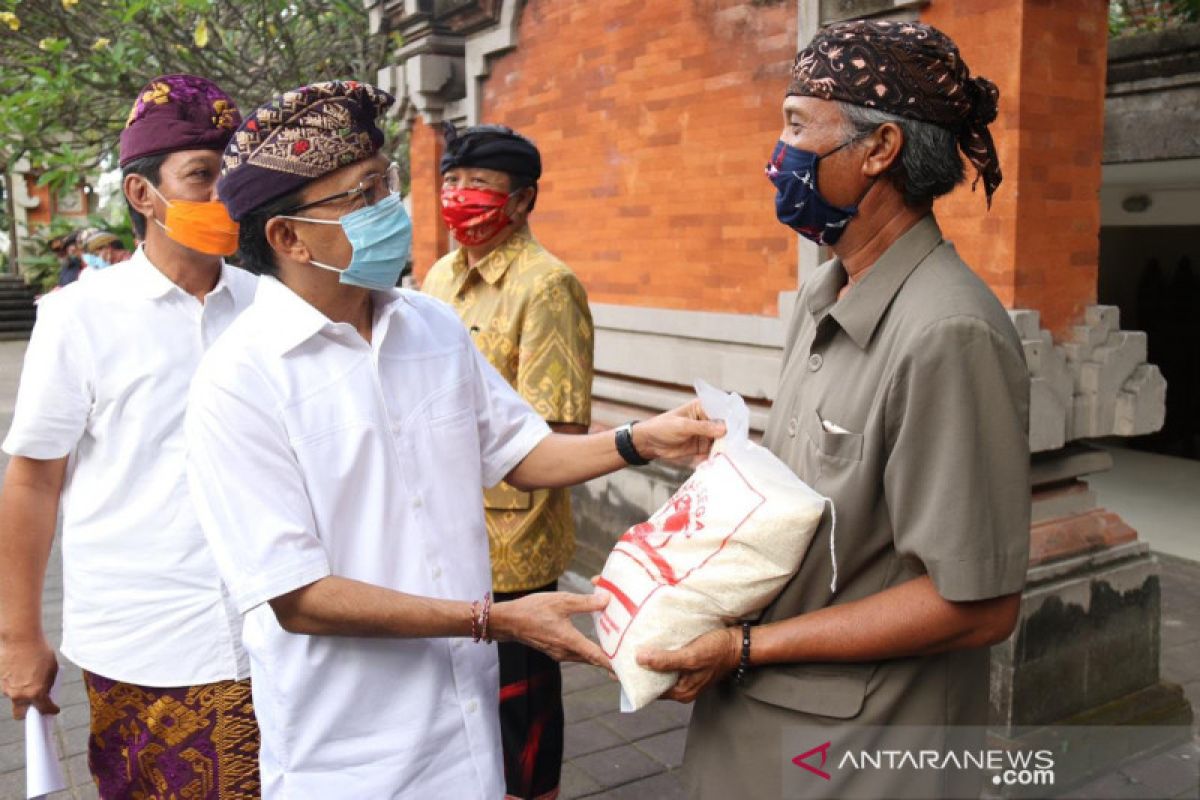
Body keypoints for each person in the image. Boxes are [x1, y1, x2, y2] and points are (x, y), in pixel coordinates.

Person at [194, 80, 723, 799]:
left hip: (467, 724)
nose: (393, 209)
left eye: (386, 185)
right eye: (361, 195)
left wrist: (640, 440)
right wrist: (492, 620)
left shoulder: (427, 324)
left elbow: (521, 452)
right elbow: (296, 594)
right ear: (288, 237)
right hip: (351, 748)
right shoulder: (239, 378)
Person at [636, 20, 1031, 799]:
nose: (775, 156)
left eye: (794, 125)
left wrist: (746, 648)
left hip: (858, 752)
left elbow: (976, 606)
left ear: (879, 149)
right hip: (757, 723)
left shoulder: (948, 332)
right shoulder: (826, 290)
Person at [0, 74, 260, 799]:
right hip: (148, 641)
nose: (224, 194)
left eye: (231, 175)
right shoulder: (79, 318)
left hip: (280, 627)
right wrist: (19, 636)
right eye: (203, 177)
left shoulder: (269, 308)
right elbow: (32, 479)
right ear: (144, 196)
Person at [423, 122, 593, 800]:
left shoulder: (546, 285)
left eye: (479, 187)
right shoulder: (438, 274)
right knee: (458, 706)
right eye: (452, 183)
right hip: (444, 527)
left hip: (515, 543)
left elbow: (559, 429)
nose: (460, 197)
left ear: (521, 201)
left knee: (519, 712)